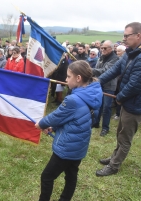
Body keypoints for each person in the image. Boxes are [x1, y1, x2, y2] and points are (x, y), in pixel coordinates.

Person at [35, 60, 102, 201]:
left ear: (78, 78)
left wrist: (41, 124)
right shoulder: (93, 94)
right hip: (79, 146)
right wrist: (54, 128)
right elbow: (77, 118)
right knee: (71, 175)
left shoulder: (73, 99)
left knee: (47, 176)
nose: (66, 79)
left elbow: (56, 116)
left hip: (67, 148)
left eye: (68, 76)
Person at [96, 22, 141, 176]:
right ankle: (114, 157)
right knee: (120, 133)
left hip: (135, 105)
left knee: (125, 137)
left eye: (126, 36)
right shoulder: (131, 52)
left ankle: (114, 166)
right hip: (127, 102)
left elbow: (135, 85)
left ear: (138, 36)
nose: (123, 39)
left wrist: (120, 98)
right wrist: (98, 82)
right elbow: (115, 70)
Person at [92, 40, 119, 136]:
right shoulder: (101, 57)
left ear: (111, 49)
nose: (102, 49)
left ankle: (105, 128)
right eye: (102, 48)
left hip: (109, 85)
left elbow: (106, 70)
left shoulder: (115, 59)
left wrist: (91, 70)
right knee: (98, 104)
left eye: (105, 48)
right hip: (99, 84)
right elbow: (97, 67)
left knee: (106, 107)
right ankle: (96, 122)